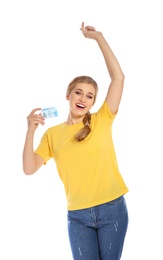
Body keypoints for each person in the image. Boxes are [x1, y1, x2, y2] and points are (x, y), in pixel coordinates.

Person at [23, 21, 129, 260]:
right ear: (68, 95)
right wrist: (30, 130)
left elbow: (119, 78)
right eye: (79, 92)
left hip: (112, 210)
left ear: (93, 102)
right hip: (78, 216)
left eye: (90, 96)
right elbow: (29, 169)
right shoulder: (53, 135)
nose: (83, 99)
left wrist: (99, 38)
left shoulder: (102, 119)